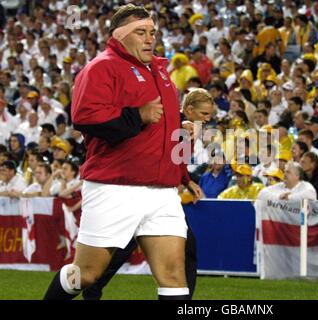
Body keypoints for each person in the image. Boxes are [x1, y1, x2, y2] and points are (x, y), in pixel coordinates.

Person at [43, 5, 195, 301]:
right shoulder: (102, 67)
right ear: (119, 35)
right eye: (141, 32)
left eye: (152, 32)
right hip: (114, 188)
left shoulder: (160, 71)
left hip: (162, 192)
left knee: (174, 276)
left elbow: (160, 126)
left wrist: (182, 162)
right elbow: (85, 117)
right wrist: (137, 116)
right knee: (86, 274)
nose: (150, 39)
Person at [81, 87, 215, 301]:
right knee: (122, 249)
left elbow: (175, 159)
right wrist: (182, 129)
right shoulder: (180, 125)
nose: (208, 119)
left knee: (182, 248)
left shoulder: (188, 128)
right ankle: (92, 286)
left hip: (159, 196)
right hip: (147, 193)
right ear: (189, 109)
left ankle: (93, 287)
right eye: (204, 114)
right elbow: (164, 146)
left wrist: (187, 180)